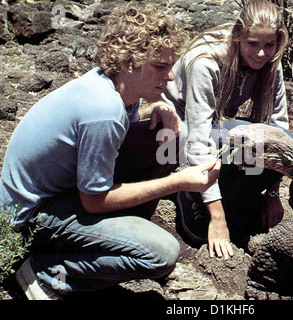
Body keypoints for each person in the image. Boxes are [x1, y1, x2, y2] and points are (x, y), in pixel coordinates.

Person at [0, 2, 221, 300]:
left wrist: (156, 108)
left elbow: (122, 127)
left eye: (171, 66)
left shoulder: (113, 87)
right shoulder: (102, 111)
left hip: (56, 196)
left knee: (168, 137)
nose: (170, 77)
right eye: (160, 66)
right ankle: (45, 273)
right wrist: (178, 182)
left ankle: (121, 235)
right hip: (31, 219)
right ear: (130, 62)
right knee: (162, 253)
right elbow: (94, 200)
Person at [161, 0, 293, 259]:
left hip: (217, 125)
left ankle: (230, 193)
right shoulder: (205, 62)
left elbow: (278, 127)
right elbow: (198, 137)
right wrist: (218, 216)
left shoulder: (272, 59)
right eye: (252, 44)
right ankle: (191, 195)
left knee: (290, 143)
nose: (261, 54)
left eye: (269, 45)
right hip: (174, 137)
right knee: (233, 146)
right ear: (238, 36)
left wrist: (272, 191)